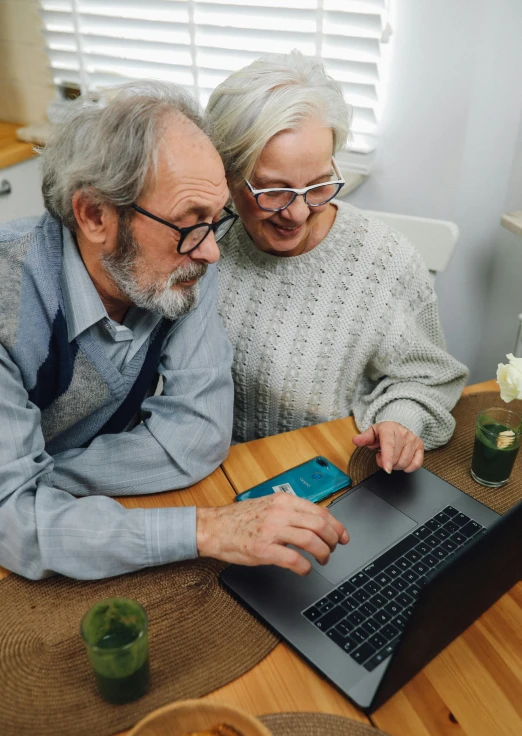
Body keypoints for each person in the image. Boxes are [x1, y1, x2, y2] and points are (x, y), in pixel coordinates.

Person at [0, 81, 348, 581]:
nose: (211, 251)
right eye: (189, 223)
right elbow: (17, 526)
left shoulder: (180, 268)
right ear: (95, 214)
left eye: (214, 220)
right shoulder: (10, 302)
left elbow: (197, 438)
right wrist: (204, 530)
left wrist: (41, 480)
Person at [207, 51, 469, 473]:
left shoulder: (385, 261)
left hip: (328, 469)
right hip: (213, 468)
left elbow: (428, 377)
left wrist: (400, 423)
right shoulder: (204, 240)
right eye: (274, 191)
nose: (298, 213)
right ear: (228, 178)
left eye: (317, 184)